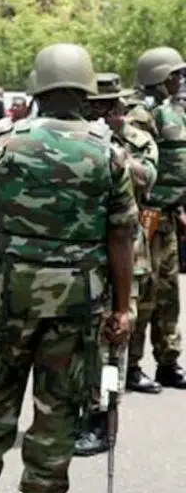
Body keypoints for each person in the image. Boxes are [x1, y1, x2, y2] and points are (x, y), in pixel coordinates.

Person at [0, 43, 136, 493]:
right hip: (78, 298)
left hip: (14, 291)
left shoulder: (8, 144)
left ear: (37, 89)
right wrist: (123, 307)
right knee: (57, 403)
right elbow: (121, 237)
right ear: (84, 91)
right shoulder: (108, 153)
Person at [74, 72, 158, 456]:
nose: (102, 114)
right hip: (83, 256)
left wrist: (117, 154)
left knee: (113, 343)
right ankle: (78, 409)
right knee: (78, 342)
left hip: (124, 259)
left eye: (109, 107)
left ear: (120, 108)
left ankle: (102, 417)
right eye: (94, 107)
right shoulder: (77, 139)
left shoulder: (136, 140)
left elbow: (148, 178)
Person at [125, 47, 186, 392]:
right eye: (174, 75)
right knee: (142, 295)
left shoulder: (175, 111)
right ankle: (131, 366)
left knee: (168, 294)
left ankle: (168, 361)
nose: (179, 80)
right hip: (145, 219)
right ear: (159, 78)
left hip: (168, 216)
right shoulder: (140, 115)